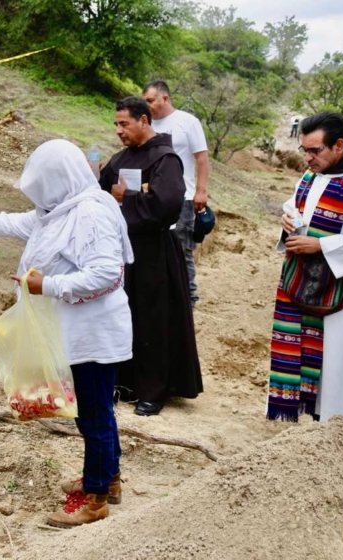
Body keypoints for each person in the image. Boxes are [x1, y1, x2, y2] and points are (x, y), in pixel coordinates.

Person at [0, 139, 135, 528]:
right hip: (77, 332)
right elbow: (18, 223)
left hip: (95, 334)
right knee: (97, 411)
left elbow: (107, 273)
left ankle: (97, 497)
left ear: (61, 180)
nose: (41, 199)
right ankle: (108, 479)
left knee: (94, 416)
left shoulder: (90, 214)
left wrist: (46, 286)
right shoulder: (60, 211)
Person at [269, 112, 343, 423]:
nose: (308, 158)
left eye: (315, 151)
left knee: (342, 360)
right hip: (304, 280)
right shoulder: (313, 173)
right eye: (304, 150)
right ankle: (314, 414)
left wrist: (321, 246)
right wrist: (288, 219)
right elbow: (297, 204)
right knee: (312, 354)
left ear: (338, 146)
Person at [98, 96, 202, 417]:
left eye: (124, 123)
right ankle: (124, 382)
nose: (119, 130)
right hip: (122, 251)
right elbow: (100, 193)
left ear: (144, 121)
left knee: (152, 318)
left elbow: (167, 205)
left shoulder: (166, 159)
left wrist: (127, 196)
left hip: (155, 250)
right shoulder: (119, 158)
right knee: (120, 314)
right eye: (116, 124)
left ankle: (153, 390)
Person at [143, 80, 210, 307]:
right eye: (145, 101)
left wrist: (201, 191)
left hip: (183, 198)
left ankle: (188, 299)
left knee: (182, 249)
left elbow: (201, 158)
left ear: (165, 98)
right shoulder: (147, 124)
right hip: (152, 197)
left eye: (150, 100)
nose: (147, 105)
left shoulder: (187, 122)